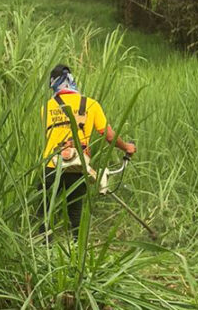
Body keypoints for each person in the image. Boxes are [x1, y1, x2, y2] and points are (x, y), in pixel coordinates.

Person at [38, 63, 136, 238]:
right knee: (75, 211)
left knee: (45, 211)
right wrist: (127, 147)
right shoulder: (90, 105)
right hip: (77, 165)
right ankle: (76, 250)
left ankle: (44, 253)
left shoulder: (46, 107)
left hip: (51, 165)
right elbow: (109, 136)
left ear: (53, 83)